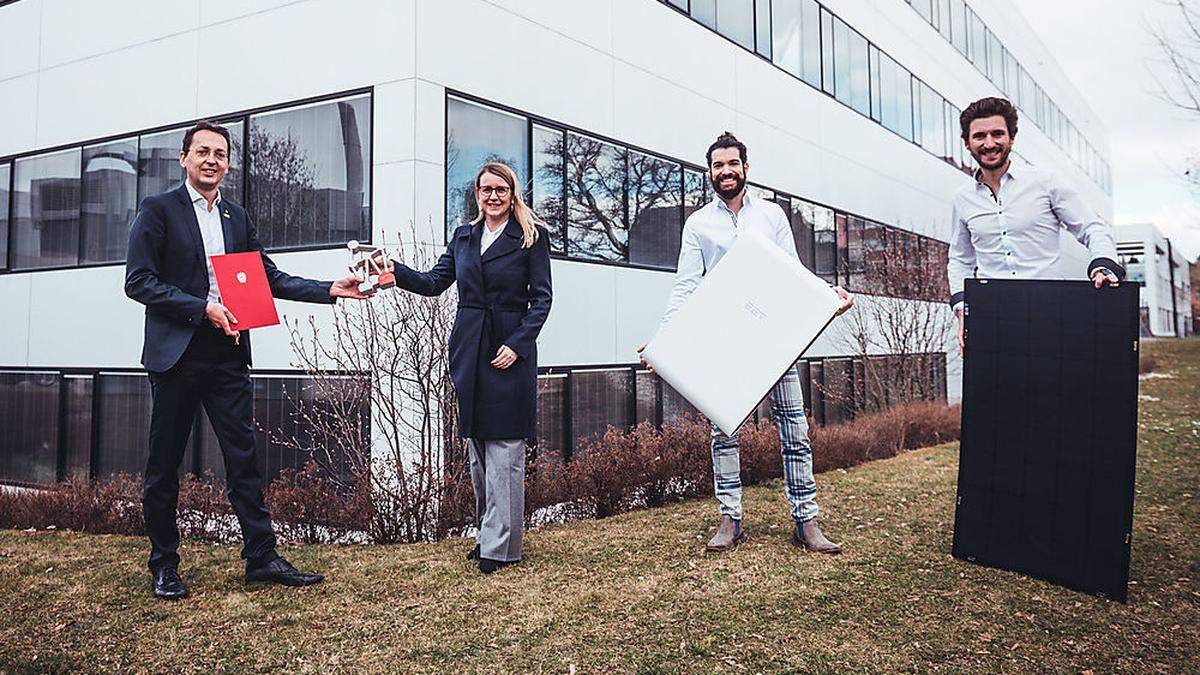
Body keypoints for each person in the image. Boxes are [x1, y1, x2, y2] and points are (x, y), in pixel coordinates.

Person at [124, 120, 370, 600]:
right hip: (178, 354)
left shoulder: (236, 217)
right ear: (184, 158)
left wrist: (329, 290)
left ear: (228, 163)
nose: (212, 160)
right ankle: (164, 566)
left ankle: (261, 558)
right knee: (164, 465)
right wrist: (202, 308)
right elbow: (139, 281)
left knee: (244, 461)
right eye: (203, 152)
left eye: (220, 153)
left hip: (228, 352)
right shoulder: (158, 211)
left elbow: (266, 276)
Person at [639, 132, 854, 554]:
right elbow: (685, 287)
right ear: (710, 172)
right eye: (717, 166)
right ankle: (731, 520)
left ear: (745, 168)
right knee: (725, 433)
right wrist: (663, 342)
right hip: (726, 341)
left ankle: (806, 521)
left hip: (773, 338)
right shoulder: (698, 224)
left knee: (794, 429)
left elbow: (793, 273)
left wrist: (830, 297)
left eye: (732, 164)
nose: (725, 172)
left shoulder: (772, 216)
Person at [389, 162, 552, 574]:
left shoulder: (532, 237)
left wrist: (518, 345)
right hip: (469, 346)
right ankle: (487, 534)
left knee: (505, 450)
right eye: (485, 190)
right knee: (477, 448)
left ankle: (502, 546)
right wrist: (392, 272)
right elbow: (432, 282)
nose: (492, 196)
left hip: (508, 348)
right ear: (476, 194)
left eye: (500, 189)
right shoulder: (464, 236)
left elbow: (543, 300)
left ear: (512, 193)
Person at [948, 97, 1123, 350]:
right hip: (989, 315)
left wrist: (1104, 265)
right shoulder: (962, 199)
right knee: (995, 390)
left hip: (1049, 310)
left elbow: (1091, 227)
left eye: (997, 134)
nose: (989, 143)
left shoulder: (1046, 182)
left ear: (1012, 138)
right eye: (980, 136)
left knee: (1054, 387)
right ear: (967, 143)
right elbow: (960, 260)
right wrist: (962, 309)